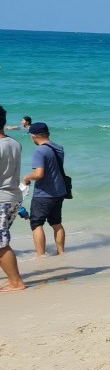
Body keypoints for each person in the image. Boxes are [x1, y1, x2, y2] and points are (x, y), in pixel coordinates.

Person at [22, 122, 67, 256]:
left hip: (44, 194)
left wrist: (27, 177)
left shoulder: (40, 151)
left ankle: (41, 256)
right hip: (59, 192)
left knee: (36, 224)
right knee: (56, 223)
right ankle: (61, 252)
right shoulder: (59, 148)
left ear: (33, 136)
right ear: (48, 133)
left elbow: (39, 174)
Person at [0, 106, 27, 292]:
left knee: (1, 243)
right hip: (13, 196)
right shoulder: (14, 143)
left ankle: (16, 282)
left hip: (1, 198)